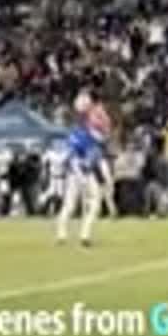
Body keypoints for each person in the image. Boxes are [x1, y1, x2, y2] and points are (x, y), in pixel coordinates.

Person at [56, 101, 105, 247]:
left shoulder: (82, 134)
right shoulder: (81, 135)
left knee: (76, 204)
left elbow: (96, 151)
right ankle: (79, 234)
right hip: (79, 173)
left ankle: (68, 234)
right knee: (83, 203)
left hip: (81, 172)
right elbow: (74, 156)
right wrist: (82, 171)